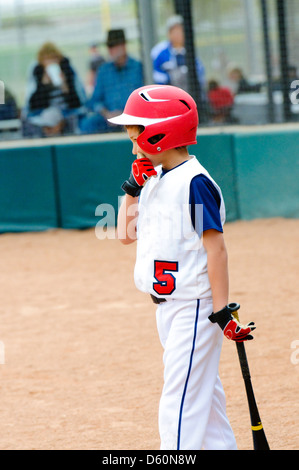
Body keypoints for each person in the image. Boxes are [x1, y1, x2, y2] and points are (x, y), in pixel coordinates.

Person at [109, 84, 255, 450]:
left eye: (136, 136)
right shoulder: (155, 180)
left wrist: (221, 311)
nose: (133, 146)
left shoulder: (196, 183)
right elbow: (124, 235)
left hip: (194, 308)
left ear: (163, 131)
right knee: (204, 404)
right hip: (168, 311)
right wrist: (132, 188)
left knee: (178, 404)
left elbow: (216, 249)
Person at [79, 29, 143, 135]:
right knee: (87, 125)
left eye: (115, 46)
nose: (112, 50)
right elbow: (94, 100)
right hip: (108, 119)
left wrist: (126, 114)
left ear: (123, 46)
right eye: (110, 47)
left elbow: (144, 98)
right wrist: (106, 113)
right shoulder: (104, 70)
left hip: (133, 117)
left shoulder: (138, 67)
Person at [22, 42, 86, 138]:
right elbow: (33, 106)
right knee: (48, 117)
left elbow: (78, 103)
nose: (51, 62)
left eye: (54, 59)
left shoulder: (68, 71)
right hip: (45, 114)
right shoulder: (37, 74)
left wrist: (65, 86)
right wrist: (44, 86)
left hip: (67, 113)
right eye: (47, 59)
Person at [151, 15, 205, 94]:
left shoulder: (191, 50)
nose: (178, 34)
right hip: (168, 94)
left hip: (190, 93)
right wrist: (170, 78)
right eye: (175, 31)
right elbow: (156, 75)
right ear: (169, 33)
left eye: (181, 30)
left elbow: (200, 71)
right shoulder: (160, 51)